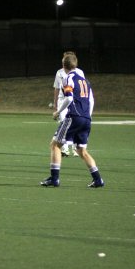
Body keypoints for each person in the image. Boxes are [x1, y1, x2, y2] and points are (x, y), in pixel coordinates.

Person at [41, 53, 104, 188]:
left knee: (55, 145)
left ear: (63, 66)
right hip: (86, 119)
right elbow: (91, 100)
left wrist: (57, 111)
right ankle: (98, 179)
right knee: (81, 150)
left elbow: (69, 99)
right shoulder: (85, 81)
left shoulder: (68, 78)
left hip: (74, 117)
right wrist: (88, 116)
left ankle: (54, 178)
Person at [52, 51, 81, 157]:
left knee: (74, 123)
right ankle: (64, 149)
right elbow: (57, 88)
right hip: (62, 100)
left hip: (73, 100)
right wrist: (55, 104)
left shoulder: (79, 72)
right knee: (63, 122)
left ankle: (75, 147)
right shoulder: (59, 72)